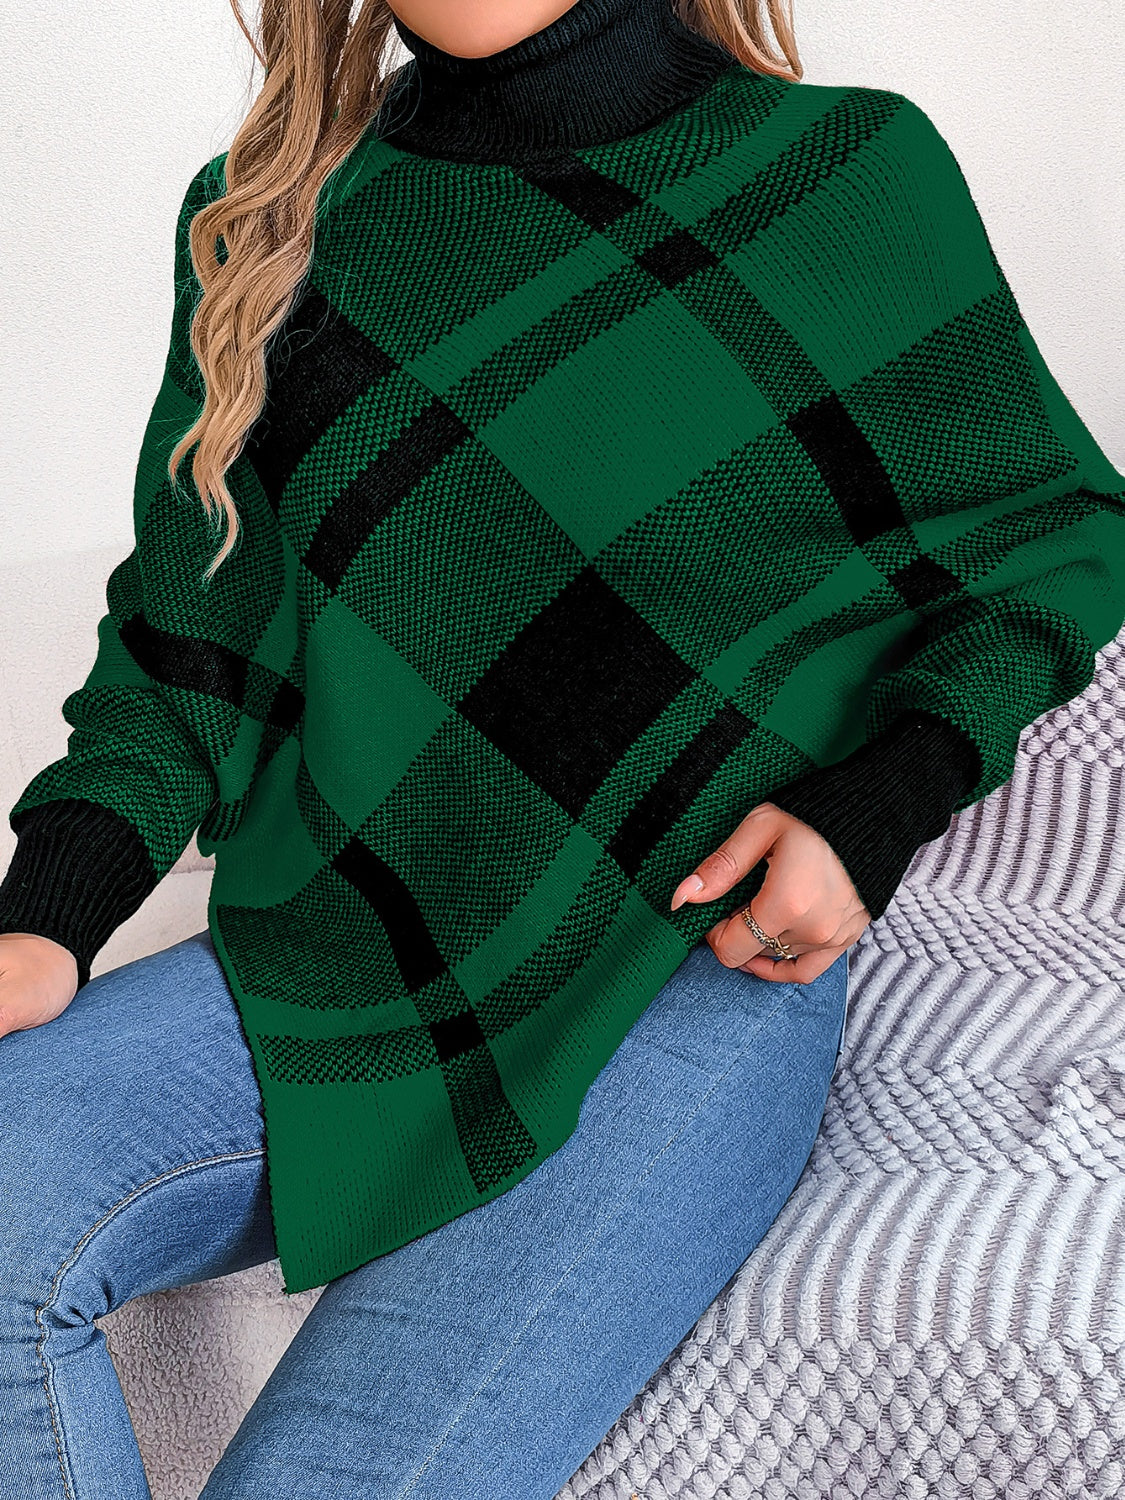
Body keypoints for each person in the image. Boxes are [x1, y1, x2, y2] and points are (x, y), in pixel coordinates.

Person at [1, 1, 1122, 1496]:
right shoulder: (268, 222)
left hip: (684, 971)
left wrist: (876, 805)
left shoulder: (834, 166)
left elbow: (1044, 537)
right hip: (346, 954)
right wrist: (47, 917)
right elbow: (185, 645)